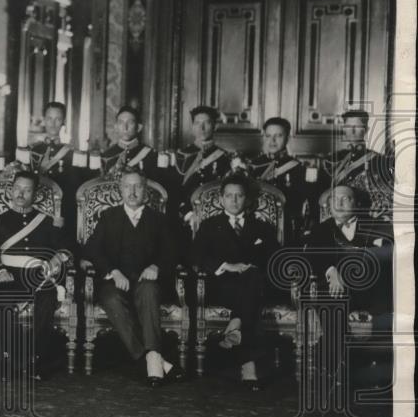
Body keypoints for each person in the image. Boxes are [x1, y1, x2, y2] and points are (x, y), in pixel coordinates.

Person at [81, 171, 181, 386]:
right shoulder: (109, 216)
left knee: (149, 290)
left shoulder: (158, 219)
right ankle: (153, 359)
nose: (133, 192)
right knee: (110, 299)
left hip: (147, 281)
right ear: (121, 189)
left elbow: (172, 252)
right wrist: (113, 271)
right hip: (115, 281)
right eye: (128, 186)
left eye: (138, 187)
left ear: (145, 191)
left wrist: (156, 266)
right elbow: (93, 250)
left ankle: (153, 356)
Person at [0, 170, 73, 379]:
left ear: (35, 194)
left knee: (47, 300)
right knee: (2, 300)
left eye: (27, 190)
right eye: (17, 189)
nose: (21, 194)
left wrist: (58, 257)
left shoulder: (48, 222)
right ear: (10, 190)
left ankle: (35, 359)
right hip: (9, 275)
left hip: (39, 275)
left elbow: (66, 248)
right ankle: (13, 359)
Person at [191, 174, 279, 390]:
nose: (234, 200)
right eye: (229, 196)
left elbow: (276, 259)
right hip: (221, 286)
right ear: (221, 200)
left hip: (255, 284)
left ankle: (238, 329)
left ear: (247, 200)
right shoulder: (209, 226)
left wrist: (252, 268)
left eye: (239, 196)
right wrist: (227, 266)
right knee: (249, 290)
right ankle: (248, 365)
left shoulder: (262, 227)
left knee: (253, 277)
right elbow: (195, 257)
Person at [305, 185, 393, 316]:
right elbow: (313, 253)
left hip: (371, 291)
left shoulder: (376, 225)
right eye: (335, 199)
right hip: (335, 290)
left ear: (356, 204)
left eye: (345, 199)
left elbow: (392, 250)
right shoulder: (320, 230)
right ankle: (333, 335)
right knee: (330, 305)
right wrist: (331, 271)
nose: (339, 203)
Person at [241, 117, 311, 242]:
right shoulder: (253, 166)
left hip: (285, 228)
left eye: (278, 136)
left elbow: (302, 205)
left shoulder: (298, 168)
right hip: (255, 226)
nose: (272, 141)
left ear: (287, 138)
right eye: (268, 136)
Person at [169, 105, 234, 231]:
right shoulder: (180, 156)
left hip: (215, 218)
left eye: (207, 123)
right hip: (184, 219)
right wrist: (188, 214)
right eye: (197, 123)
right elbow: (174, 191)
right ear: (192, 127)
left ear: (215, 126)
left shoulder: (225, 158)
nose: (202, 128)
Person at [320, 110, 394, 218]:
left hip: (363, 218)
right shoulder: (335, 160)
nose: (352, 131)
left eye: (357, 126)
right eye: (348, 126)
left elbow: (384, 198)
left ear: (366, 130)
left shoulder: (379, 161)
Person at [27, 101, 83, 230]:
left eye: (58, 119)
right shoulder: (32, 150)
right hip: (36, 207)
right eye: (49, 118)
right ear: (44, 120)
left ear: (63, 121)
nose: (53, 123)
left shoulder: (72, 152)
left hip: (62, 208)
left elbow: (76, 185)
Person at [100, 105, 159, 179]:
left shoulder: (150, 155)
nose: (125, 127)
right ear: (116, 127)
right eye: (121, 123)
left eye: (130, 123)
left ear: (139, 127)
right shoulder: (106, 155)